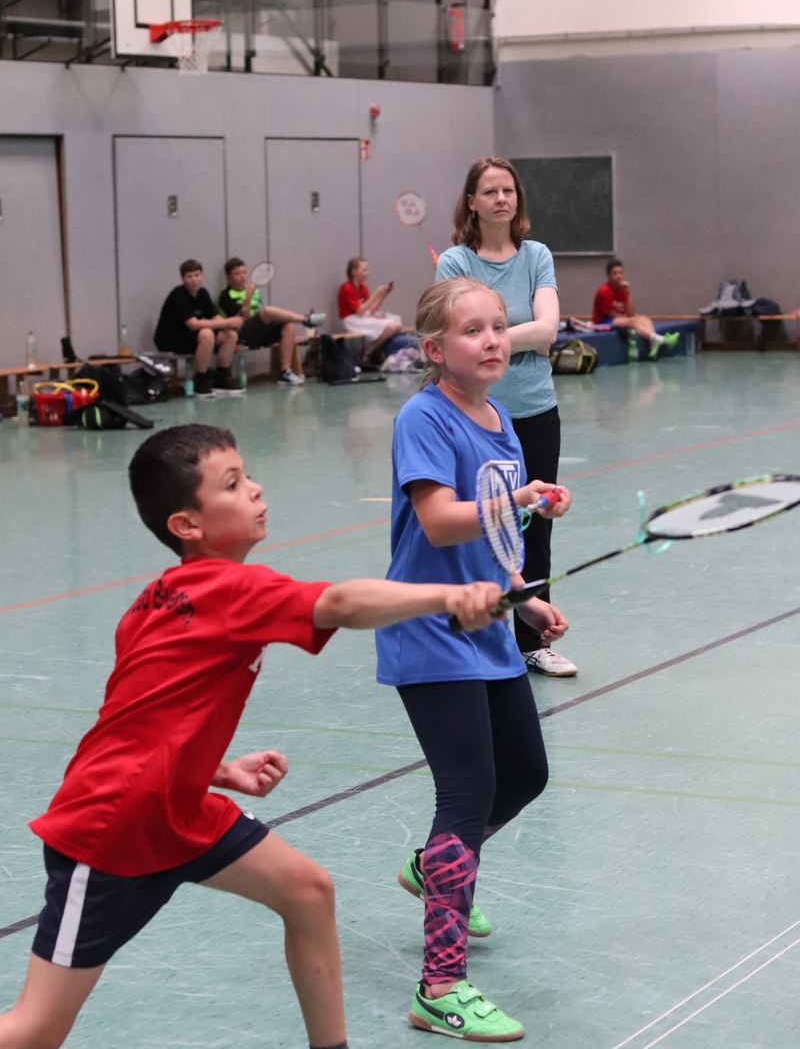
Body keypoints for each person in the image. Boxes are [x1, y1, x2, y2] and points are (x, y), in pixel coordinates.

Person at [0, 422, 504, 1049]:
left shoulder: (153, 600)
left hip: (178, 807)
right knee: (34, 1030)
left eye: (248, 476)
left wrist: (218, 770)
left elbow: (142, 719)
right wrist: (450, 596)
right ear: (187, 524)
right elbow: (341, 605)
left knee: (308, 891)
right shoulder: (232, 587)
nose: (256, 489)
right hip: (112, 827)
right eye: (233, 484)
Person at [378, 276, 571, 1042]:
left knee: (525, 775)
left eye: (499, 326)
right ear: (434, 349)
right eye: (472, 330)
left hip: (487, 627)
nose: (493, 340)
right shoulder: (423, 418)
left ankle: (432, 866)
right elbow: (440, 520)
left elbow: (494, 541)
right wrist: (520, 499)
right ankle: (440, 987)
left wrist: (525, 599)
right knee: (467, 792)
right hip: (429, 630)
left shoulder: (500, 419)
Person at [436, 157, 577, 677]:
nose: (501, 199)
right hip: (473, 415)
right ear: (471, 202)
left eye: (508, 191)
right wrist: (517, 338)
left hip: (535, 409)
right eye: (490, 191)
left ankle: (532, 641)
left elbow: (548, 329)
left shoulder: (536, 255)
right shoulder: (454, 262)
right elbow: (454, 335)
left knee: (534, 526)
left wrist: (486, 338)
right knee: (478, 521)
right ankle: (470, 634)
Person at [218, 257, 326, 387]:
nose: (242, 276)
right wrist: (248, 297)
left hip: (258, 332)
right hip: (241, 335)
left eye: (244, 272)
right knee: (266, 311)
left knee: (288, 324)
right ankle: (306, 319)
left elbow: (258, 315)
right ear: (229, 277)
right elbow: (242, 320)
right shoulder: (226, 295)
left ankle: (285, 372)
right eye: (237, 274)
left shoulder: (255, 291)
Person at [154, 259, 242, 396]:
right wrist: (227, 322)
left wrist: (230, 324)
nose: (194, 280)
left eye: (197, 275)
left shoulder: (203, 293)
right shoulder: (178, 295)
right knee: (207, 334)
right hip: (170, 338)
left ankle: (221, 378)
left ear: (202, 276)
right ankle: (200, 381)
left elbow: (215, 317)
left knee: (230, 335)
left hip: (191, 337)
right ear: (183, 279)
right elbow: (193, 324)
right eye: (189, 276)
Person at [592, 259, 680, 359]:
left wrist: (628, 291)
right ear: (608, 276)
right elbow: (612, 314)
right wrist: (630, 319)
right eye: (614, 273)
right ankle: (657, 338)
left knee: (646, 320)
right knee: (633, 321)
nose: (618, 276)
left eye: (621, 273)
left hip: (619, 318)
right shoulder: (603, 291)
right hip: (603, 322)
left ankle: (653, 344)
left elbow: (631, 313)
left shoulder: (623, 290)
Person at [337, 257, 403, 362]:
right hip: (351, 319)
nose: (367, 273)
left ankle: (370, 352)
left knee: (396, 325)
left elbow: (370, 309)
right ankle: (368, 352)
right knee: (391, 326)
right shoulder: (346, 287)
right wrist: (376, 294)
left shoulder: (364, 287)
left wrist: (383, 295)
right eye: (364, 270)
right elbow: (359, 311)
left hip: (363, 317)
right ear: (354, 271)